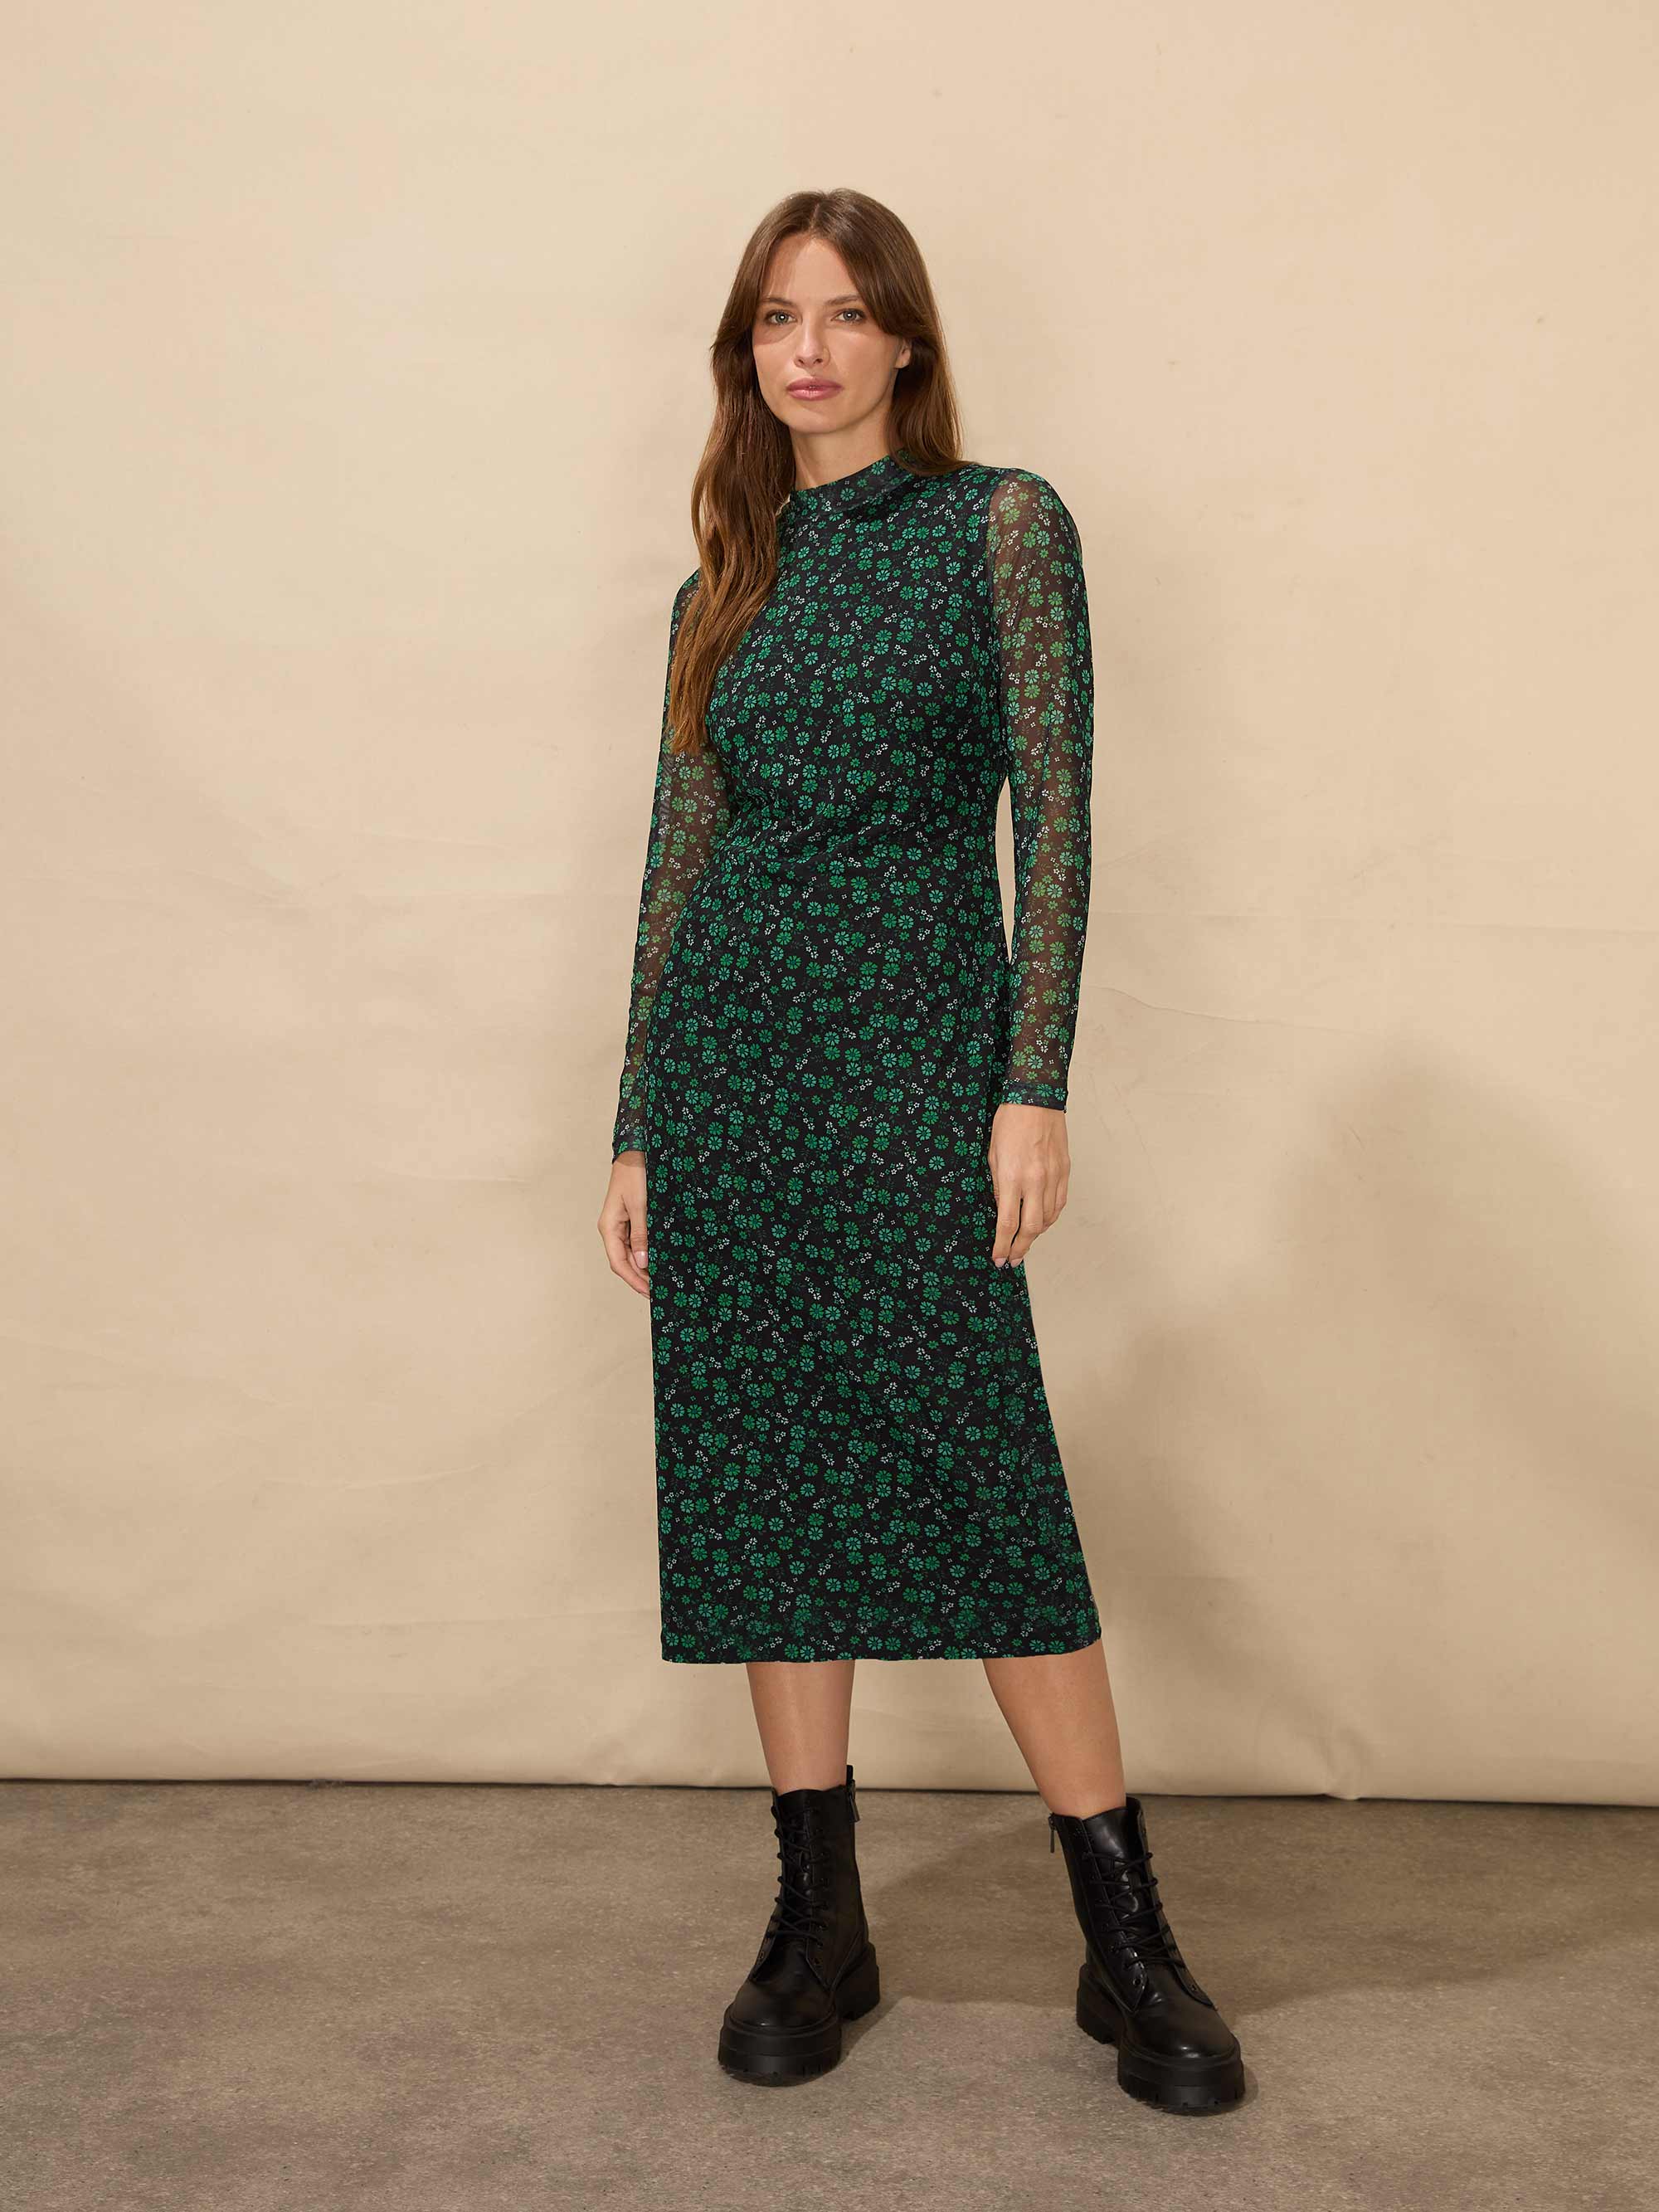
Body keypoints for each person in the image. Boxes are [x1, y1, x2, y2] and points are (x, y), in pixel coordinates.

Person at [597, 188, 1246, 2116]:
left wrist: (1029, 1080)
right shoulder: (723, 580)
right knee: (765, 1476)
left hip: (912, 1053)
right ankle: (819, 1920)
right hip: (730, 1068)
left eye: (843, 312)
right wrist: (636, 1119)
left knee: (979, 1467)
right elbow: (676, 856)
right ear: (746, 353)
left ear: (903, 342)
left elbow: (1060, 807)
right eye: (774, 318)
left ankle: (1127, 1937)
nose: (807, 349)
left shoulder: (998, 526)